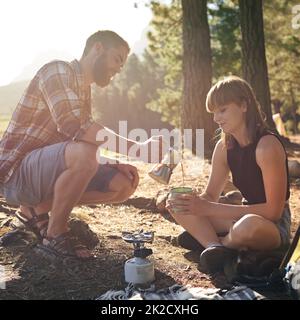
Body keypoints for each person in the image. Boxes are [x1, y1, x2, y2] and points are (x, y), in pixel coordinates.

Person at [0, 30, 162, 260]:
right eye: (117, 58)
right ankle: (55, 234)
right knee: (87, 152)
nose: (118, 69)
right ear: (97, 49)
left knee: (123, 184)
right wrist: (138, 149)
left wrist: (114, 163)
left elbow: (73, 146)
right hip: (17, 175)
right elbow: (74, 126)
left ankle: (36, 211)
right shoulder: (56, 70)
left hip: (45, 170)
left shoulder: (83, 91)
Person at [166, 76, 291, 274]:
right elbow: (210, 197)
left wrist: (208, 208)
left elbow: (273, 212)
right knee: (178, 204)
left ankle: (215, 243)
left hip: (271, 226)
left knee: (247, 226)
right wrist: (192, 202)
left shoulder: (267, 146)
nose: (216, 118)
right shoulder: (224, 147)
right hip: (241, 216)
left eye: (222, 110)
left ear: (243, 105)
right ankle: (214, 247)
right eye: (214, 112)